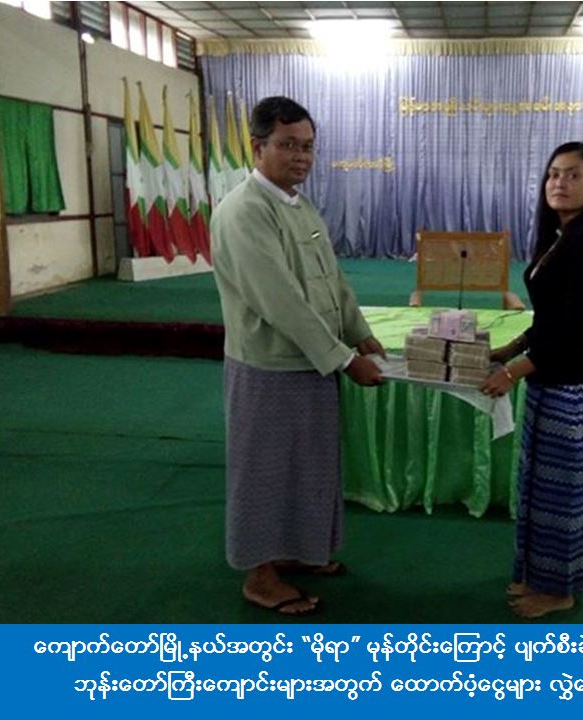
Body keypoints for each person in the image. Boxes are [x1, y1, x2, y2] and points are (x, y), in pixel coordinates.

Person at [210, 96, 385, 616]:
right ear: (257, 146)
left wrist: (359, 333)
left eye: (307, 146)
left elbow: (332, 278)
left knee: (307, 469)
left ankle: (295, 552)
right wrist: (345, 359)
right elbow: (281, 300)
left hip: (312, 366)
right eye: (288, 145)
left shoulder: (297, 204)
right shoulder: (244, 212)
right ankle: (260, 575)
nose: (301, 157)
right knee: (264, 474)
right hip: (268, 370)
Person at [481, 141, 583, 619]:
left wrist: (512, 371)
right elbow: (550, 316)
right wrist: (510, 349)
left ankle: (561, 589)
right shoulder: (562, 234)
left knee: (565, 497)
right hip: (551, 381)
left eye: (574, 175)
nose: (560, 183)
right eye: (554, 174)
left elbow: (575, 327)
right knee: (539, 489)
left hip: (576, 389)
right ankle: (537, 575)